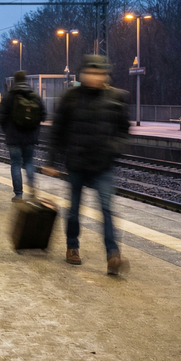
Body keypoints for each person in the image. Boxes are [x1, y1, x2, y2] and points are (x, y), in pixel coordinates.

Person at [49, 55, 131, 276]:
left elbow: (124, 130)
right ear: (82, 74)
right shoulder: (71, 97)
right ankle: (72, 246)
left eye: (99, 73)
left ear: (105, 75)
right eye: (91, 73)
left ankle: (113, 255)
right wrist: (50, 161)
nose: (95, 77)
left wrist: (114, 148)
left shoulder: (116, 98)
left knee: (107, 209)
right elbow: (57, 130)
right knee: (75, 209)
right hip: (76, 163)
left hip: (103, 164)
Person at [0, 71, 45, 202]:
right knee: (29, 162)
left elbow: (1, 115)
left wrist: (7, 130)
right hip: (30, 136)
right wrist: (34, 128)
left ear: (15, 80)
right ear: (26, 80)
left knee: (16, 164)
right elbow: (43, 114)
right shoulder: (34, 95)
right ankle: (32, 187)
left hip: (13, 137)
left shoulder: (9, 96)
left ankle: (18, 194)